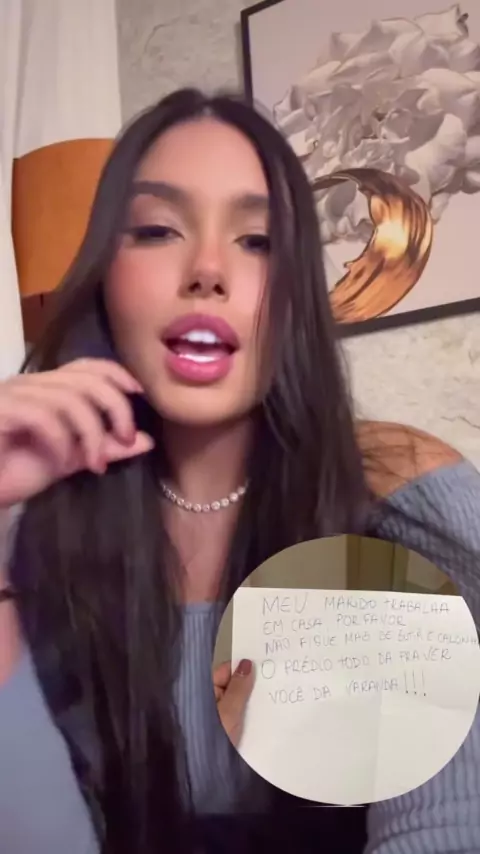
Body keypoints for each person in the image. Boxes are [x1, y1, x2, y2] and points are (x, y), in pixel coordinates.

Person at [0, 88, 479, 854]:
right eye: (157, 230)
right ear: (105, 279)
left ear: (296, 294)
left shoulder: (404, 502)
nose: (207, 271)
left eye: (257, 241)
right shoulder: (40, 541)